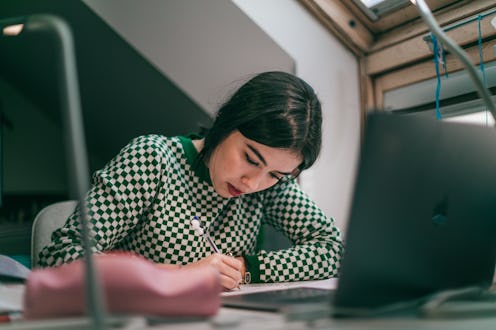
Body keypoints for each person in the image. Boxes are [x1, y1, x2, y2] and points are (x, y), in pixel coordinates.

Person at [39, 71, 344, 290]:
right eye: (251, 158)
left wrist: (245, 268)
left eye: (276, 175)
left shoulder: (270, 187)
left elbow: (334, 249)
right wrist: (176, 274)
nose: (252, 183)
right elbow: (62, 256)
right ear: (227, 122)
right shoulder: (153, 159)